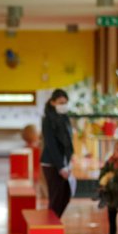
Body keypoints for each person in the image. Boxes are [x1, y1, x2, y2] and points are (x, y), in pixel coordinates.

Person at [40, 89, 74, 217]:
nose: (63, 105)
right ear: (53, 102)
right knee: (56, 197)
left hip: (63, 162)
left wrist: (68, 162)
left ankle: (55, 222)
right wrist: (61, 167)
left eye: (65, 102)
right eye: (61, 102)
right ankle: (51, 226)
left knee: (65, 195)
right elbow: (51, 145)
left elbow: (68, 141)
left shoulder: (64, 118)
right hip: (51, 163)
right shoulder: (48, 120)